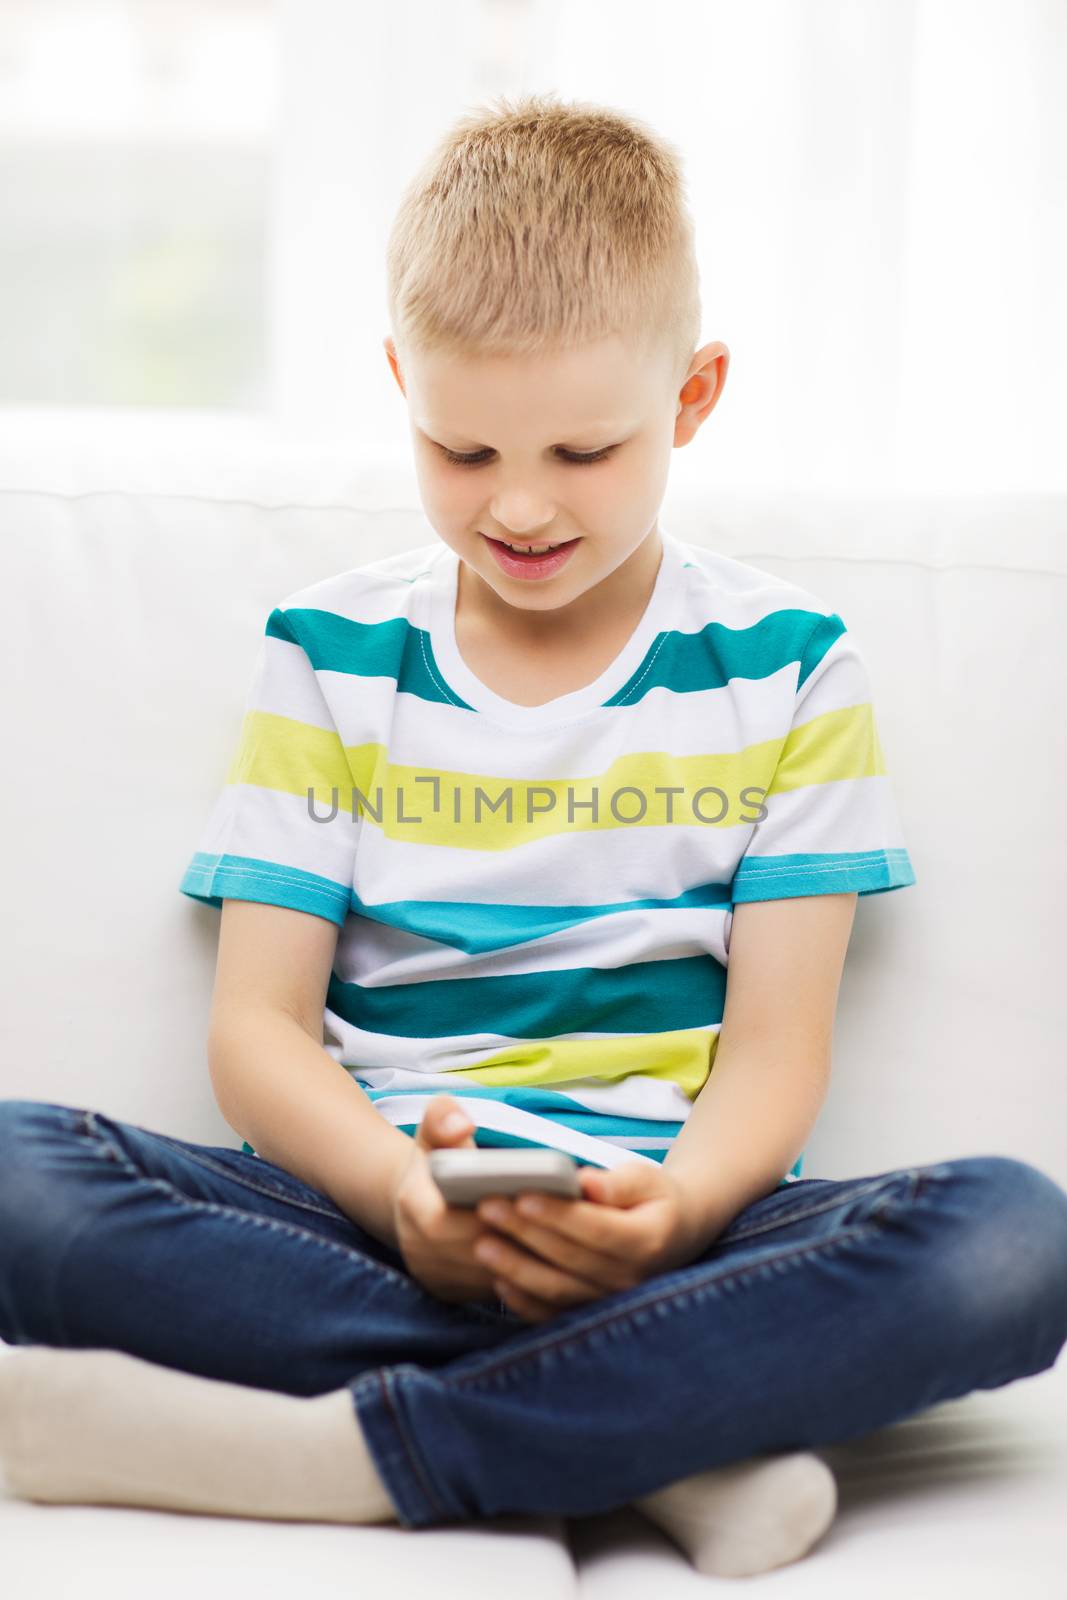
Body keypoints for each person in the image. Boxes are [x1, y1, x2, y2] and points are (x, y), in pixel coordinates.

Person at [1, 92, 1066, 1581]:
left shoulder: (792, 670)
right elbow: (258, 1029)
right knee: (14, 1177)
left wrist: (679, 1212)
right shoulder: (335, 654)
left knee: (1019, 1239)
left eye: (584, 449)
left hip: (684, 1229)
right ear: (400, 386)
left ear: (691, 399)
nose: (516, 504)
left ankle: (376, 1450)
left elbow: (775, 1053)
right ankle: (672, 1435)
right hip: (362, 1212)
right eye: (461, 447)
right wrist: (399, 1197)